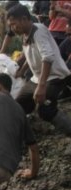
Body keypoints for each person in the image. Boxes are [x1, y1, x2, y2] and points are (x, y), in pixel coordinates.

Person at [7, 4, 71, 135]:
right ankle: (22, 132)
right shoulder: (25, 33)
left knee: (46, 110)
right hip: (37, 78)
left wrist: (41, 86)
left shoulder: (38, 30)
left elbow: (47, 57)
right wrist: (21, 71)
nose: (13, 28)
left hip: (54, 77)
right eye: (10, 25)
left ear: (24, 18)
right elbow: (29, 55)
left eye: (14, 24)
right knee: (19, 106)